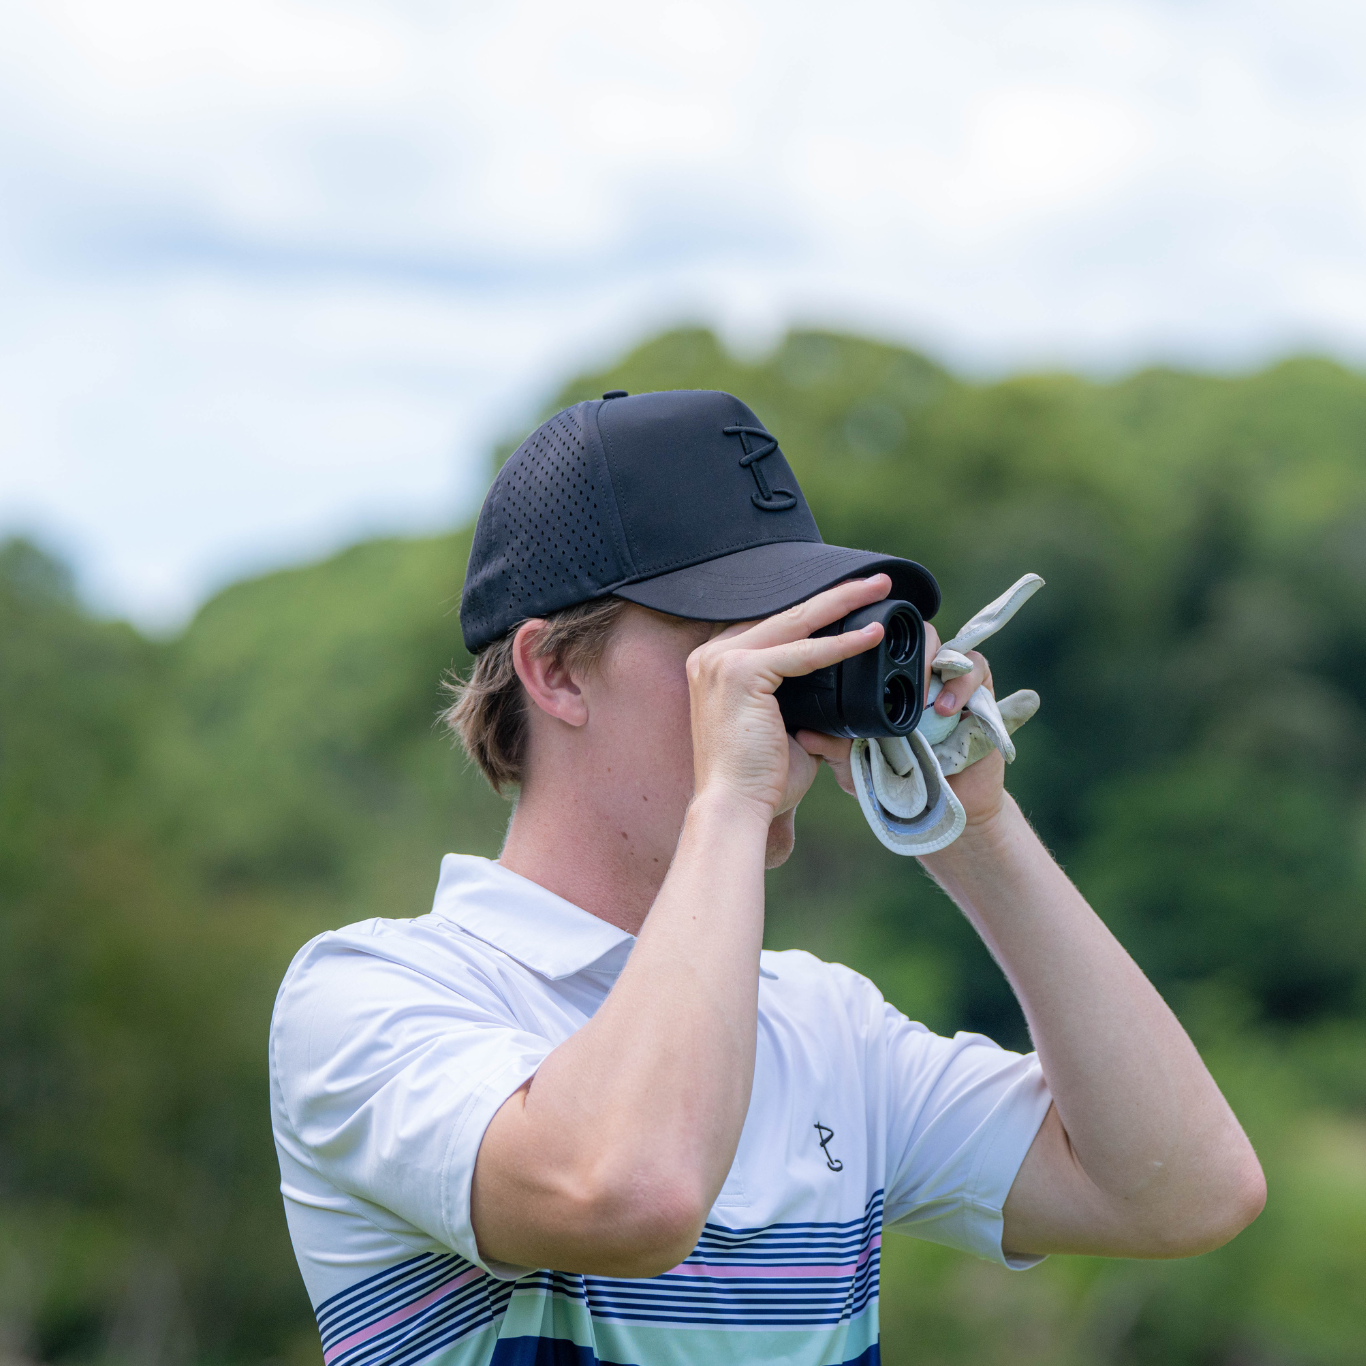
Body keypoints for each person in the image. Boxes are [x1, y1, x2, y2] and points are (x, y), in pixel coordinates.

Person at [269, 389, 1265, 1366]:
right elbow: (633, 1190)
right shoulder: (368, 997)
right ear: (556, 672)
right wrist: (730, 802)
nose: (780, 691)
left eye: (799, 643)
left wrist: (973, 827)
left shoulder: (826, 1027)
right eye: (734, 651)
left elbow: (1183, 1192)